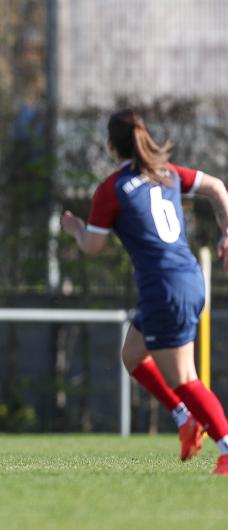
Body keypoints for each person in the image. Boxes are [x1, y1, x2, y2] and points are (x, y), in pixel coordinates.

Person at [62, 109, 228, 474]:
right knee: (133, 355)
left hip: (165, 288)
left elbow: (92, 246)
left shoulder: (112, 189)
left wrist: (74, 227)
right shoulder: (166, 174)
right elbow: (217, 186)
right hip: (188, 279)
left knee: (183, 378)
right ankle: (186, 419)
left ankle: (226, 447)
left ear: (110, 146)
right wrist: (226, 234)